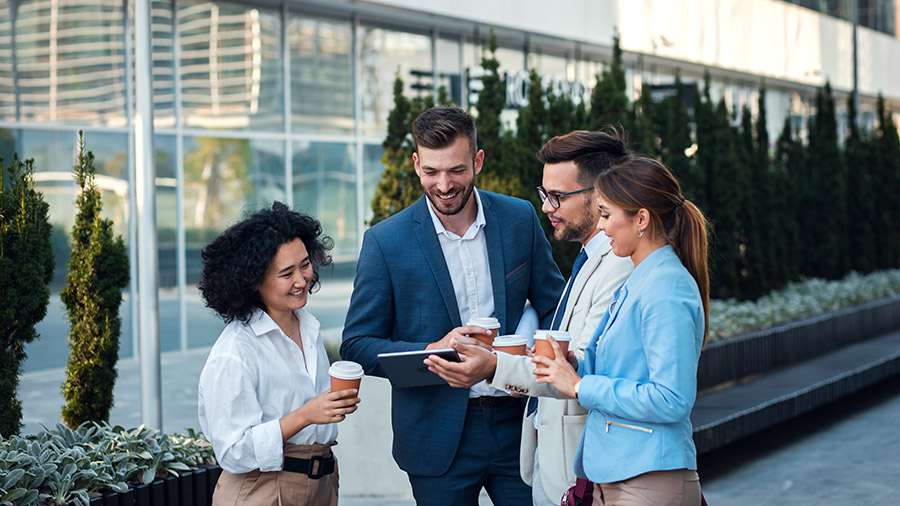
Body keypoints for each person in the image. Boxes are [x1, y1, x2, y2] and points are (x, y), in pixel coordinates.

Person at [340, 105, 565, 505]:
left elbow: (556, 307)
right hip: (435, 436)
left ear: (477, 160)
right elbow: (357, 343)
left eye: (456, 170)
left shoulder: (519, 218)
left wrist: (536, 360)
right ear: (416, 164)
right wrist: (427, 352)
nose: (444, 184)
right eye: (431, 171)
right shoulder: (385, 241)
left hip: (519, 424)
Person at [534, 156, 709, 506]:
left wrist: (582, 385)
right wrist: (573, 367)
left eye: (607, 214)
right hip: (618, 475)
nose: (601, 227)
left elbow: (671, 399)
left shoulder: (666, 287)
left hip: (648, 478)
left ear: (641, 219)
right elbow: (627, 371)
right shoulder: (641, 278)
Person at [482, 130, 635, 505]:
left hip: (580, 470)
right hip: (555, 464)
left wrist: (492, 367)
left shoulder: (617, 265)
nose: (547, 207)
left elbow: (579, 372)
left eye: (558, 197)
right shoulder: (588, 258)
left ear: (600, 195)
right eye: (544, 194)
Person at [197, 202, 360, 506]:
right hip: (263, 490)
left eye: (304, 264)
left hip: (320, 483)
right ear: (254, 281)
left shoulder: (308, 328)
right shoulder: (235, 353)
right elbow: (233, 451)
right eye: (286, 273)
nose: (301, 280)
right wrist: (306, 415)